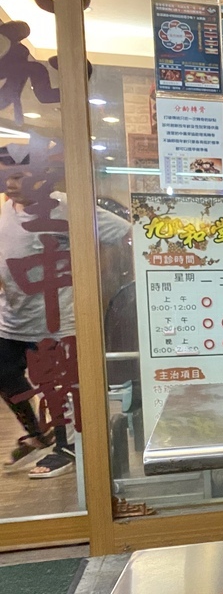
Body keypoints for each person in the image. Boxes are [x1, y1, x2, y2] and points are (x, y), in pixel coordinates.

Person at [0, 171, 131, 476]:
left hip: (57, 319)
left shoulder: (69, 206)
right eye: (7, 176)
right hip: (14, 317)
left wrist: (97, 275)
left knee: (57, 386)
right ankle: (36, 433)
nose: (11, 183)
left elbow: (124, 232)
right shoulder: (6, 209)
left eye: (20, 176)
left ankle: (66, 447)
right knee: (5, 373)